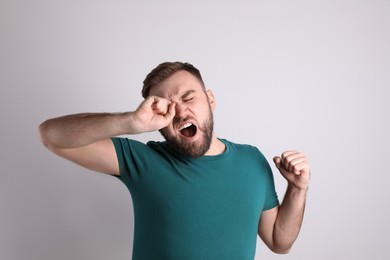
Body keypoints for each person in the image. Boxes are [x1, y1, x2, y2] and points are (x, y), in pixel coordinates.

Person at [39, 61, 310, 260]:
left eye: (188, 97)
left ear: (210, 100)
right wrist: (130, 121)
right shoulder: (143, 160)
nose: (180, 111)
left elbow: (279, 241)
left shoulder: (252, 160)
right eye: (165, 106)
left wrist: (298, 188)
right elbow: (52, 136)